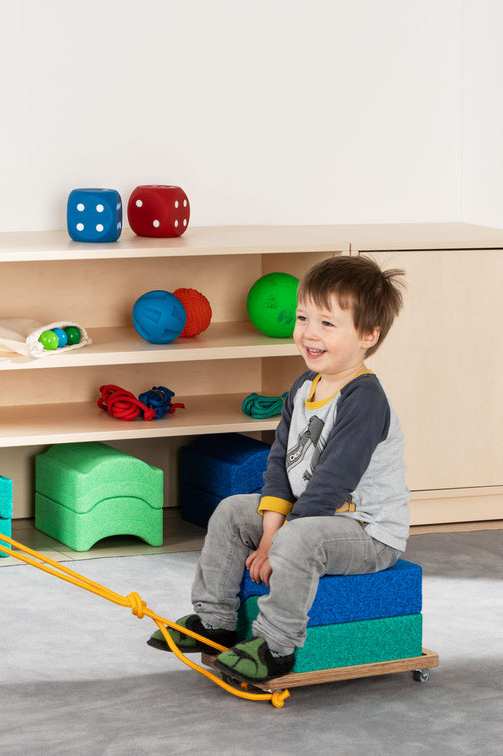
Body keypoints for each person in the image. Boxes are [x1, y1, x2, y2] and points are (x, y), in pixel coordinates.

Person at [149, 255, 408, 684]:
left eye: (327, 323)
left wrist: (279, 540)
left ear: (367, 335)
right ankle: (215, 622)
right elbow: (280, 465)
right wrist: (269, 533)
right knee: (233, 510)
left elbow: (331, 482)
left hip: (367, 530)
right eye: (303, 316)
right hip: (310, 517)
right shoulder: (303, 387)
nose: (308, 332)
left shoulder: (365, 400)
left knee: (300, 538)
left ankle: (276, 645)